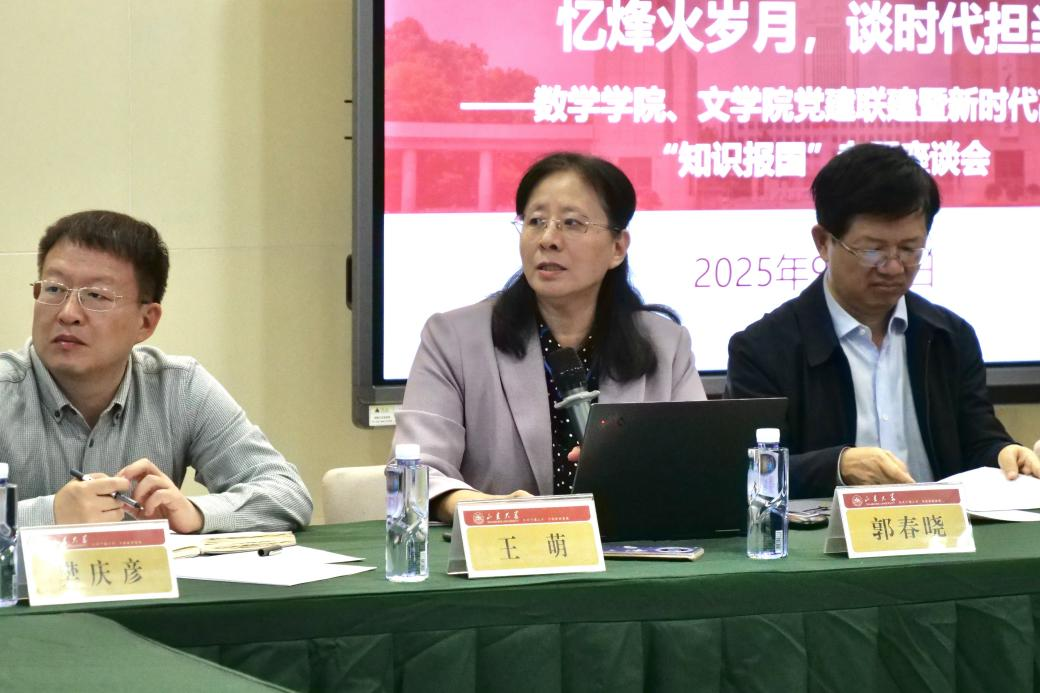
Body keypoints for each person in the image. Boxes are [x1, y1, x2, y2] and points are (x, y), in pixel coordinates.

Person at [391, 152, 706, 522]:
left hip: (627, 549)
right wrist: (488, 509)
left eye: (572, 223)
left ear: (618, 247)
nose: (548, 239)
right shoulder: (453, 339)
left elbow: (700, 468)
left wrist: (641, 475)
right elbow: (415, 472)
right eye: (536, 221)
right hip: (504, 549)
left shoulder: (666, 345)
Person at [727, 143, 1039, 498]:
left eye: (909, 249)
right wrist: (838, 467)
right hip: (830, 533)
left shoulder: (949, 337)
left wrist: (1003, 454)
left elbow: (978, 440)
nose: (893, 267)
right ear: (823, 242)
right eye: (873, 250)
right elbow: (750, 471)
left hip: (941, 528)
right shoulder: (763, 349)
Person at [0, 210, 313, 532]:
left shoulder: (180, 387)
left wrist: (195, 512)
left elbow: (287, 494)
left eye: (96, 296)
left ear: (146, 321)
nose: (68, 313)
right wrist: (50, 515)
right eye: (54, 289)